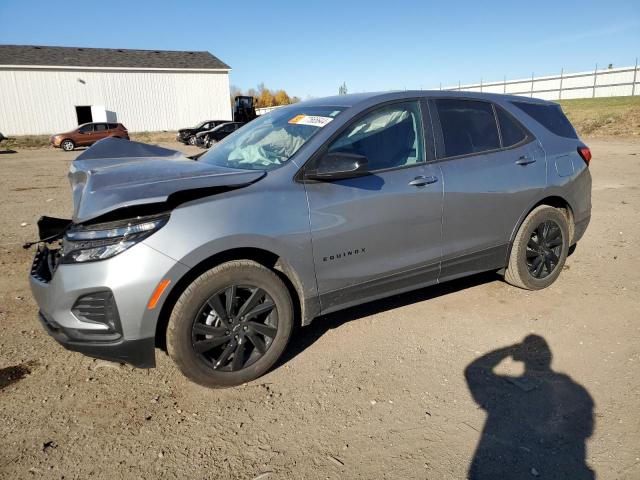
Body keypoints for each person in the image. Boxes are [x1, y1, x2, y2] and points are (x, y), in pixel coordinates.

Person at [465, 335, 595, 479]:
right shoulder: (574, 390)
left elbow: (473, 371)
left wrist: (508, 350)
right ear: (549, 357)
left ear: (522, 357)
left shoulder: (506, 390)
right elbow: (586, 429)